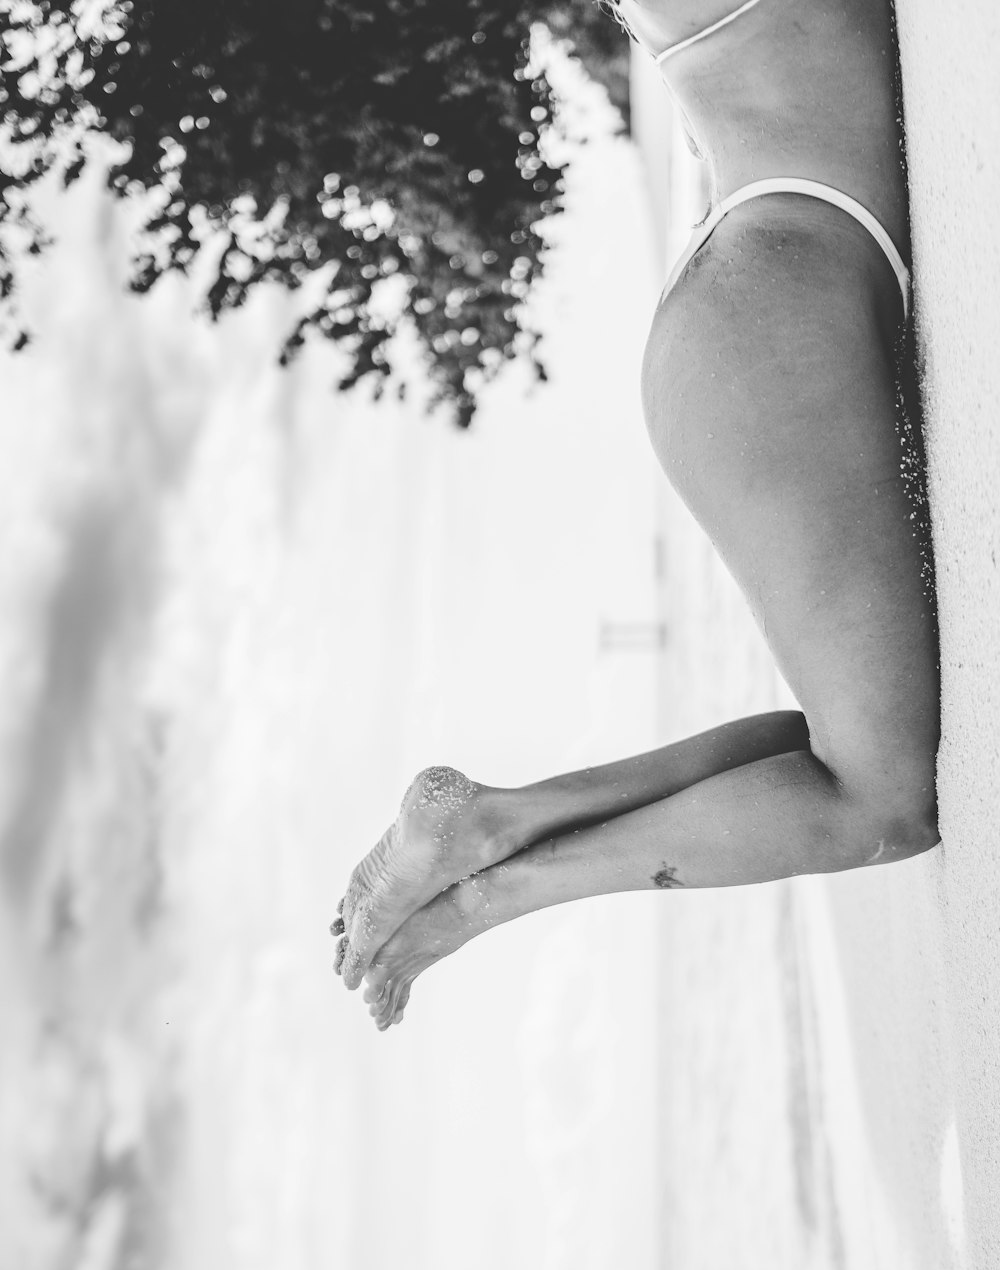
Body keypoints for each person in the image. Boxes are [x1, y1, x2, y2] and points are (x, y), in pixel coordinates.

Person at [331, 0, 939, 1031]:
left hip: (769, 280)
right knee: (879, 800)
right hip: (770, 304)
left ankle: (494, 825)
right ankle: (494, 888)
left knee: (843, 747)